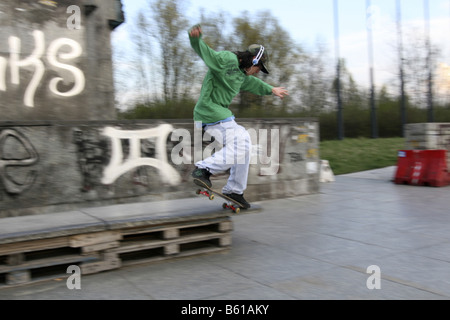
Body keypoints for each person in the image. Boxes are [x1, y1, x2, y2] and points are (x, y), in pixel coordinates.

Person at [189, 24, 288, 209]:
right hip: (209, 110)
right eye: (258, 67)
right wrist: (196, 41)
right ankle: (203, 170)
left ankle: (235, 190)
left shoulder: (243, 76)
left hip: (216, 116)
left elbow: (255, 84)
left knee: (245, 146)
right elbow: (209, 55)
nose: (258, 71)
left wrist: (272, 90)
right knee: (242, 140)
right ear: (253, 60)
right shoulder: (228, 60)